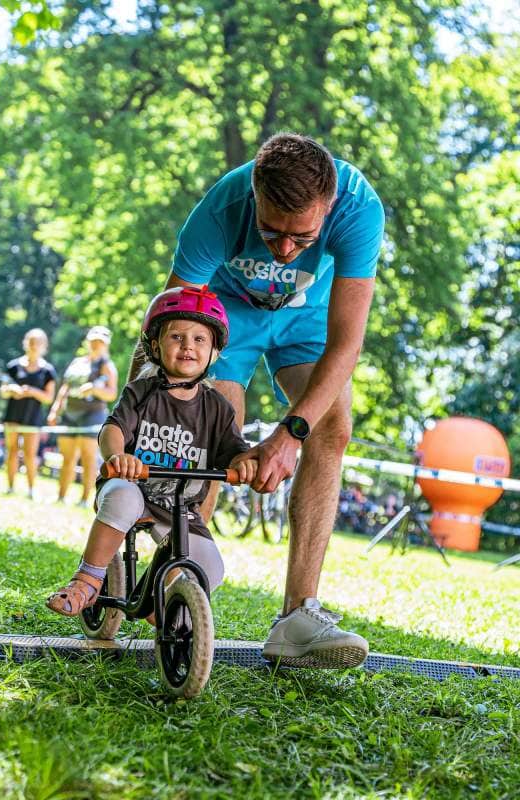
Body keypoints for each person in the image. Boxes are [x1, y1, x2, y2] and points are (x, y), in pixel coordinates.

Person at [131, 132, 384, 668]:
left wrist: (290, 435)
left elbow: (346, 343)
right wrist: (134, 411)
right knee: (212, 418)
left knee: (332, 427)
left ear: (330, 205)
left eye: (303, 236)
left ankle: (298, 615)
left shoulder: (359, 208)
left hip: (306, 321)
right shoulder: (221, 210)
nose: (286, 248)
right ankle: (183, 571)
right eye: (271, 231)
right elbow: (170, 321)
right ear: (253, 193)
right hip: (223, 318)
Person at [46, 286, 258, 617]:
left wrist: (244, 465)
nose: (188, 345)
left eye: (200, 339)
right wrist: (118, 457)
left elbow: (234, 450)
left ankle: (164, 605)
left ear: (214, 350)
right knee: (124, 498)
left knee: (211, 568)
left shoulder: (217, 407)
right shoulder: (142, 392)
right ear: (155, 346)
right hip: (133, 487)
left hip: (180, 505)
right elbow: (113, 428)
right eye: (177, 337)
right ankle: (88, 580)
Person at [47, 325, 118, 506]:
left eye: (100, 342)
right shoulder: (78, 362)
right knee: (67, 458)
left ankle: (85, 499)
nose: (96, 345)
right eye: (93, 341)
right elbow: (65, 387)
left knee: (88, 459)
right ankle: (61, 497)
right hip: (70, 413)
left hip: (92, 414)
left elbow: (112, 394)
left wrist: (94, 389)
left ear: (106, 344)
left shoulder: (107, 366)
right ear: (88, 341)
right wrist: (55, 408)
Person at [0, 328, 56, 498]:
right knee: (11, 451)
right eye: (31, 342)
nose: (33, 345)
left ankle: (31, 490)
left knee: (30, 454)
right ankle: (10, 487)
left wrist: (32, 391)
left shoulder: (48, 371)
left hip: (33, 417)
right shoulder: (13, 366)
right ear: (25, 343)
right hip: (13, 415)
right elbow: (2, 391)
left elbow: (48, 398)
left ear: (44, 346)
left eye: (37, 342)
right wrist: (12, 389)